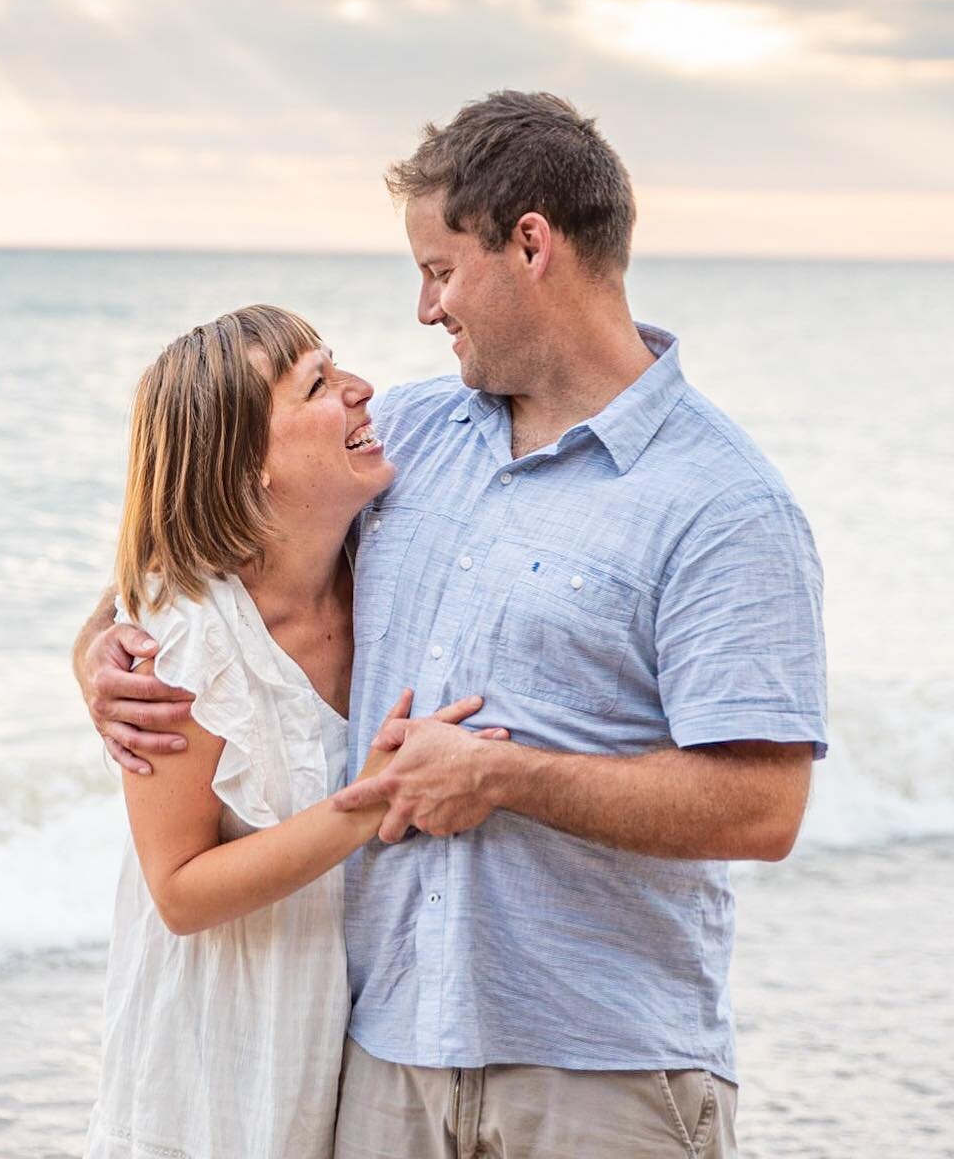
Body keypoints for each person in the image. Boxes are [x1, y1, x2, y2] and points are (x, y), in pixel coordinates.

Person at [76, 91, 828, 1158]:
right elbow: (207, 550)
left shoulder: (723, 504)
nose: (425, 310)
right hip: (381, 1061)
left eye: (438, 269)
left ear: (530, 245)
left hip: (602, 1072)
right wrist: (97, 652)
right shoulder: (411, 437)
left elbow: (764, 807)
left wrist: (506, 778)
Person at [79, 303, 506, 1159]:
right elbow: (182, 891)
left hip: (353, 1046)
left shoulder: (380, 566)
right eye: (317, 385)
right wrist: (375, 798)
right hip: (214, 1063)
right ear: (248, 468)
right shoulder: (185, 640)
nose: (361, 390)